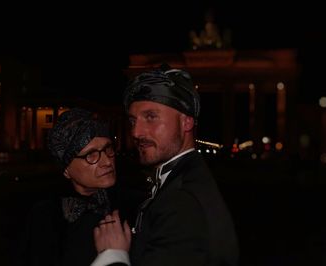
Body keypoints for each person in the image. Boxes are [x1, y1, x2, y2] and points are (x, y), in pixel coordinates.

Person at [92, 66, 239, 265]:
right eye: (133, 120)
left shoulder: (183, 204)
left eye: (151, 117)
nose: (136, 132)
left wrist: (112, 254)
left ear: (186, 122)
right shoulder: (185, 178)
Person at [17, 108, 120, 266]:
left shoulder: (133, 205)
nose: (107, 161)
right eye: (90, 155)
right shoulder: (47, 217)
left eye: (108, 148)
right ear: (66, 170)